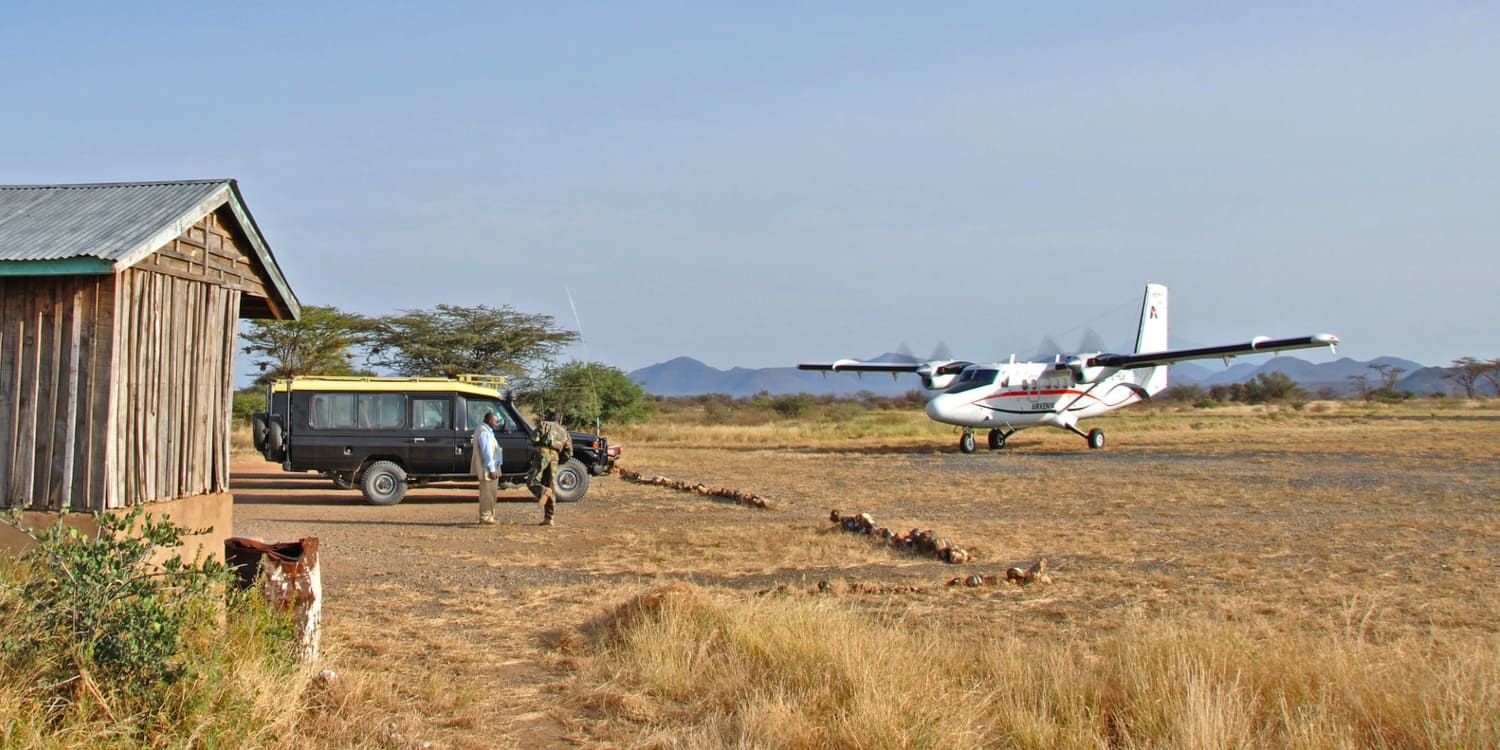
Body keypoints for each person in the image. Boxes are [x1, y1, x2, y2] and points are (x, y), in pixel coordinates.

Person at [528, 410, 570, 526]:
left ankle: (542, 491)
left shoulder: (544, 425)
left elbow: (533, 439)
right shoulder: (564, 431)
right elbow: (569, 452)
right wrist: (559, 460)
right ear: (559, 419)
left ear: (549, 417)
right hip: (555, 458)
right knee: (551, 484)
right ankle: (549, 518)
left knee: (531, 481)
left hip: (543, 454)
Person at [472, 411, 502, 525]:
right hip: (488, 469)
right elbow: (487, 452)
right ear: (490, 420)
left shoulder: (488, 431)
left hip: (491, 467)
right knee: (487, 494)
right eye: (496, 421)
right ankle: (485, 517)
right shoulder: (484, 432)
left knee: (491, 493)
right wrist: (492, 469)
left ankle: (489, 517)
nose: (497, 424)